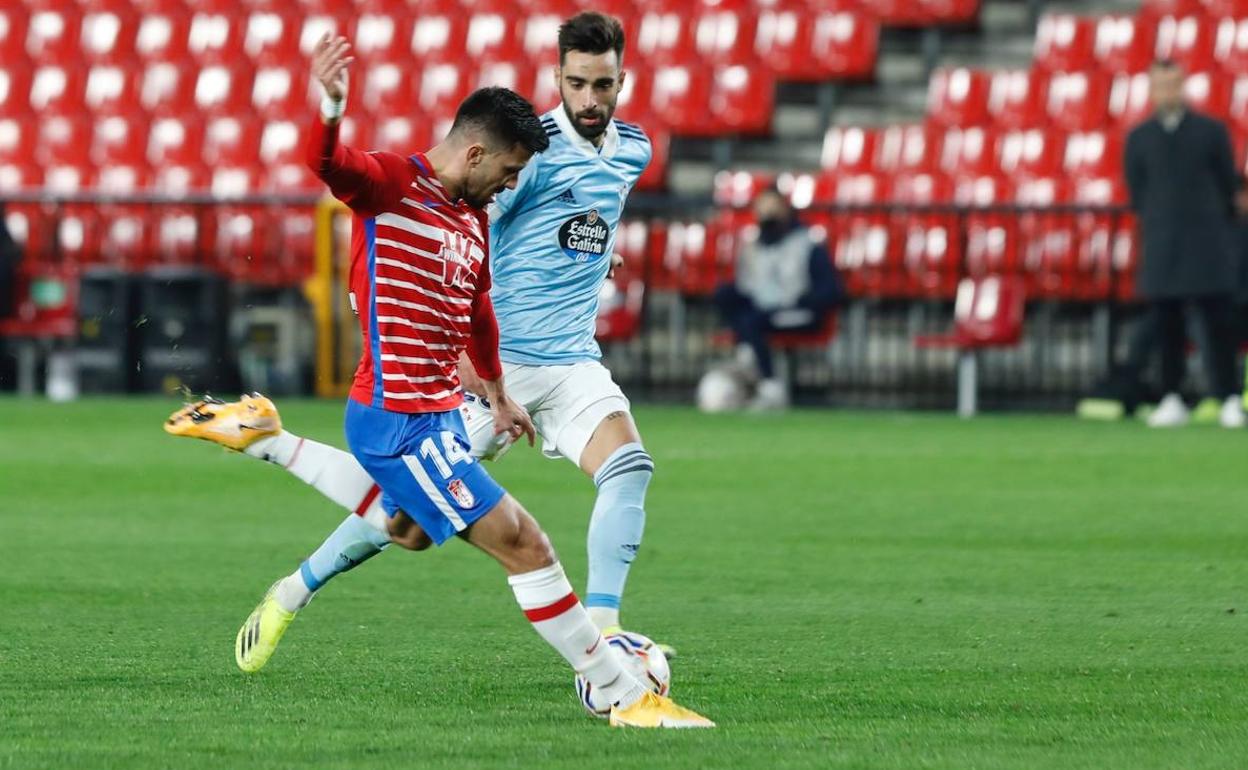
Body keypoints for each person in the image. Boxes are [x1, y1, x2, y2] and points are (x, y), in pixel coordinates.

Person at [169, 33, 712, 729]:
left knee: (409, 527)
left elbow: (480, 307)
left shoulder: (469, 218)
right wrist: (330, 107)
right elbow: (327, 162)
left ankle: (269, 443)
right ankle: (622, 692)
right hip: (396, 415)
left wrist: (496, 391)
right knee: (523, 543)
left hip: (466, 401)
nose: (512, 186)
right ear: (480, 154)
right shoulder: (394, 184)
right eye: (510, 172)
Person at [1124, 59, 1245, 428]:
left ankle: (1228, 398)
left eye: (1174, 84)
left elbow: (1229, 183)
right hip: (1163, 244)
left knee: (1220, 326)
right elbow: (1137, 191)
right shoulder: (1139, 137)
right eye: (1161, 84)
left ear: (1184, 86)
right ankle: (1171, 396)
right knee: (1167, 327)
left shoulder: (1211, 132)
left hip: (1208, 242)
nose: (1168, 92)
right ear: (1151, 89)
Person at [713, 186, 843, 410]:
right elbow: (747, 285)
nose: (768, 213)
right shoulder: (752, 244)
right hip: (762, 310)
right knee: (727, 297)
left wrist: (805, 300)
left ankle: (769, 383)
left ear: (786, 210)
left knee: (752, 322)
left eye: (773, 207)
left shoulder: (807, 243)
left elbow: (831, 289)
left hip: (798, 312)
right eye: (763, 208)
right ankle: (748, 360)